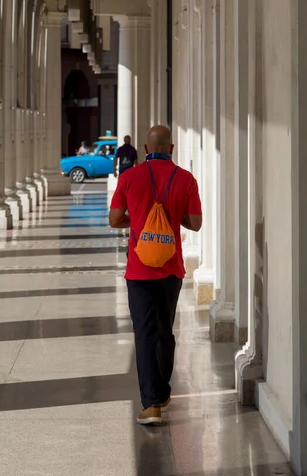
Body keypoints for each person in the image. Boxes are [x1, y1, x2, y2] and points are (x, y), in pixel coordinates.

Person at [109, 125, 202, 425]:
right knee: (165, 330)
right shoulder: (185, 179)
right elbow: (196, 223)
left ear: (146, 150)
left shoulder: (129, 177)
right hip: (171, 268)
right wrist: (171, 220)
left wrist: (138, 223)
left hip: (138, 269)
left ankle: (151, 404)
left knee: (144, 333)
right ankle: (162, 392)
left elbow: (114, 220)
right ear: (172, 149)